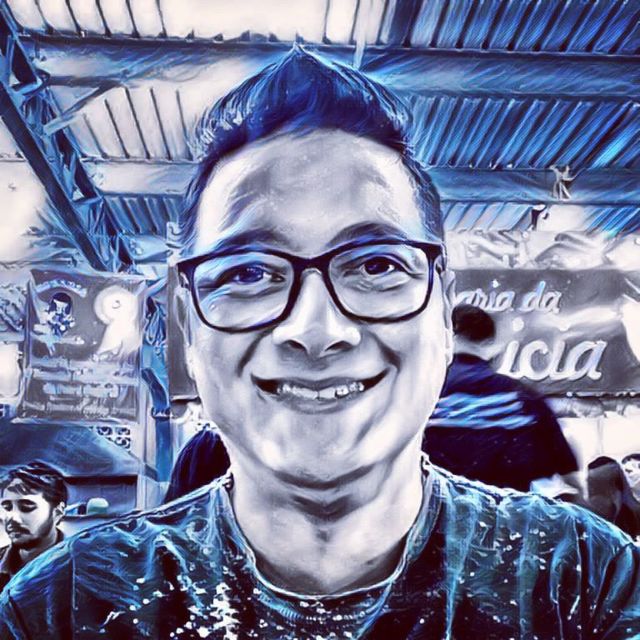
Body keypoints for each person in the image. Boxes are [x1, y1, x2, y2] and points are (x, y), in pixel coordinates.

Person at [0, 48, 638, 639]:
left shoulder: (584, 582)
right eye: (248, 272)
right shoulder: (65, 606)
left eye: (377, 264)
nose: (316, 329)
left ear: (442, 316)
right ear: (189, 327)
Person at [423, 303, 579, 492]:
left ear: (444, 337)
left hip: (439, 506)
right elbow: (569, 475)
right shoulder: (523, 397)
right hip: (507, 508)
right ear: (489, 341)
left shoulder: (422, 396)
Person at [0, 462, 66, 592]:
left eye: (26, 507)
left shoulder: (82, 567)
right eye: (7, 507)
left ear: (58, 512)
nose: (12, 517)